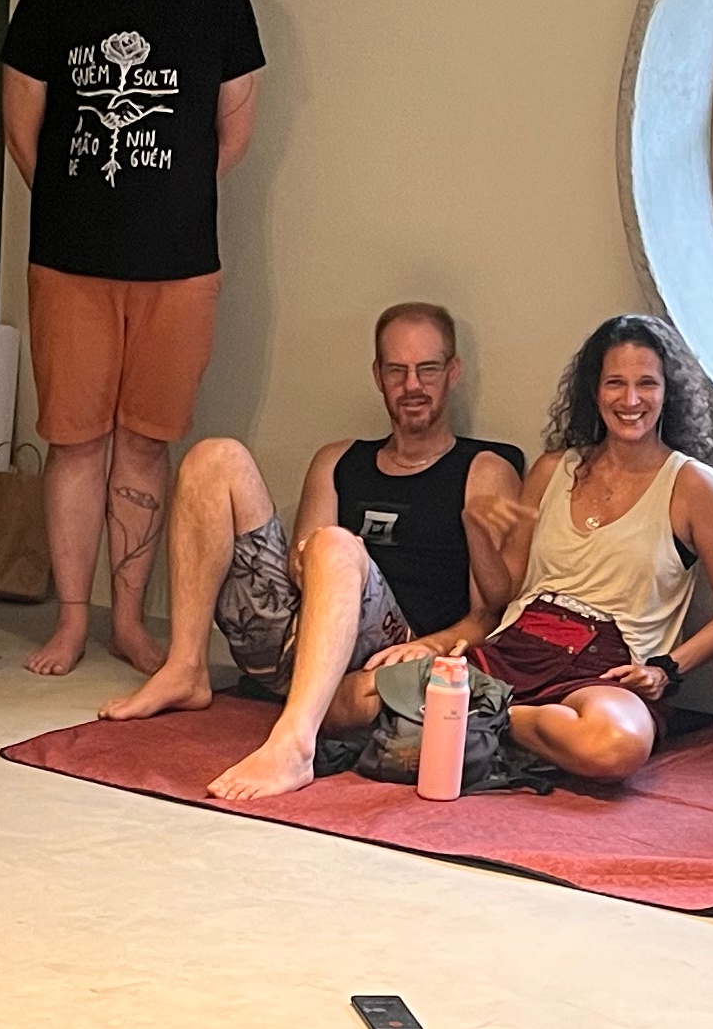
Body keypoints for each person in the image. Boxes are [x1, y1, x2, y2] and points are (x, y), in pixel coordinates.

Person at [0, 0, 267, 679]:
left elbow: (234, 128)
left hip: (179, 267)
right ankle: (71, 621)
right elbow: (23, 125)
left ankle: (128, 622)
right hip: (70, 262)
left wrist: (166, 201)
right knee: (76, 442)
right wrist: (82, 205)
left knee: (147, 442)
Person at [91, 301, 526, 802]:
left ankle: (295, 743)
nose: (412, 385)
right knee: (215, 457)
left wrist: (432, 645)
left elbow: (490, 612)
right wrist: (304, 558)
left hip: (391, 655)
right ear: (378, 376)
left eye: (427, 369)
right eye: (397, 370)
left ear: (453, 372)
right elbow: (303, 566)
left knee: (335, 543)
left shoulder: (484, 468)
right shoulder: (337, 460)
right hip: (301, 639)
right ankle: (185, 667)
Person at [460, 315, 713, 788]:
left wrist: (667, 669)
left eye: (647, 384)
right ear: (594, 391)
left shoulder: (694, 485)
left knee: (615, 746)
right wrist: (475, 529)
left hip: (608, 672)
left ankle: (485, 717)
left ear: (668, 392)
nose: (631, 400)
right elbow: (503, 594)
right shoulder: (551, 469)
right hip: (518, 646)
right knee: (356, 701)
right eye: (615, 383)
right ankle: (481, 719)